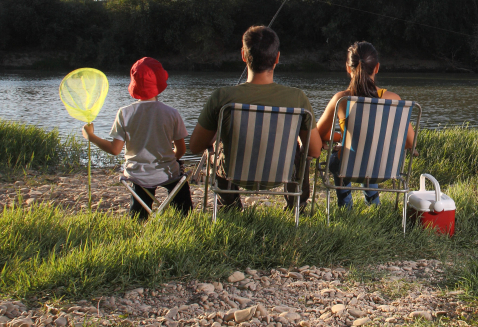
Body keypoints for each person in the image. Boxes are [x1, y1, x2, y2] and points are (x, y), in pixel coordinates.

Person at [189, 25, 322, 211]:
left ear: (243, 55)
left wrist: (218, 136)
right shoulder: (297, 98)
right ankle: (296, 206)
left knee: (217, 146)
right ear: (277, 58)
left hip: (233, 174)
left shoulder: (222, 97)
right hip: (281, 173)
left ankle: (231, 206)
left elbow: (195, 146)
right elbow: (315, 151)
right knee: (299, 148)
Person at [82, 57, 192, 220]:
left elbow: (114, 150)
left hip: (136, 174)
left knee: (142, 181)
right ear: (159, 83)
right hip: (165, 172)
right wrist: (171, 158)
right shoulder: (171, 113)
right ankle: (183, 217)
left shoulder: (124, 113)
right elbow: (181, 150)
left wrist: (91, 136)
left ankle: (139, 215)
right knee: (178, 179)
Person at [316, 41, 415, 209]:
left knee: (337, 158)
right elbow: (410, 143)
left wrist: (344, 140)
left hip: (348, 168)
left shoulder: (341, 100)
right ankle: (374, 205)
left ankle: (345, 205)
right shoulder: (394, 100)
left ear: (348, 68)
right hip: (385, 168)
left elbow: (319, 134)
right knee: (372, 153)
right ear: (376, 68)